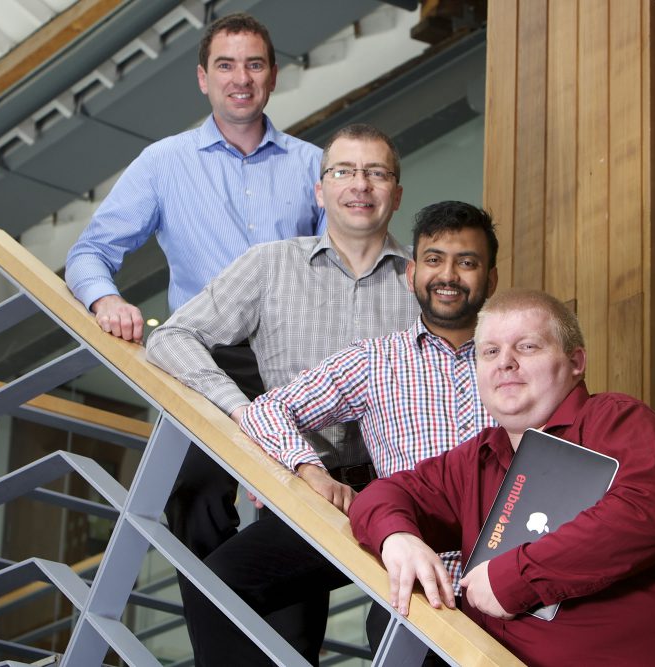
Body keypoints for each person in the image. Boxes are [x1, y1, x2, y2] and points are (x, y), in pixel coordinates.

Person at [146, 124, 419, 665]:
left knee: (402, 632)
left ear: (396, 193)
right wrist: (243, 413)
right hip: (299, 481)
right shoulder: (270, 264)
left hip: (395, 487)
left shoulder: (423, 277)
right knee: (286, 646)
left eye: (376, 172)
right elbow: (171, 337)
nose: (359, 184)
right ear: (320, 191)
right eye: (343, 171)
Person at [349, 288, 655, 666]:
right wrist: (397, 538)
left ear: (576, 362)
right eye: (490, 352)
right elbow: (382, 495)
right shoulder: (475, 461)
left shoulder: (617, 421)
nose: (505, 362)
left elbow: (646, 512)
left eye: (527, 347)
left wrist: (513, 579)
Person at [239, 201, 500, 650]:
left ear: (490, 279)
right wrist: (309, 469)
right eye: (434, 259)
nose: (448, 275)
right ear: (411, 274)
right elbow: (267, 409)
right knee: (230, 576)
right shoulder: (375, 361)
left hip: (509, 574)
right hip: (414, 580)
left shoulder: (517, 361)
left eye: (467, 263)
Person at [65, 12, 324, 344]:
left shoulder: (317, 164)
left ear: (273, 77)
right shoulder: (163, 163)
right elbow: (89, 252)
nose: (242, 78)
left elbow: (344, 269)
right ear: (203, 78)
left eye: (255, 65)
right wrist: (107, 300)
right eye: (225, 65)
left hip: (299, 353)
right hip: (201, 356)